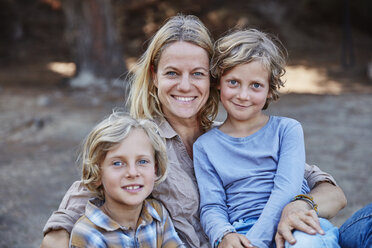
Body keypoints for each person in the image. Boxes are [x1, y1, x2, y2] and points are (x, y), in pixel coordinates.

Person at [41, 14, 346, 248]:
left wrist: (299, 204)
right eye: (172, 73)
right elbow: (61, 227)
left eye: (197, 74)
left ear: (213, 79)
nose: (185, 86)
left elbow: (331, 192)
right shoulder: (138, 143)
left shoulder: (232, 134)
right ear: (154, 76)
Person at [193, 29, 340, 248]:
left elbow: (286, 189)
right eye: (233, 82)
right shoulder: (205, 146)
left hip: (295, 224)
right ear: (218, 82)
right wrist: (224, 235)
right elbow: (212, 206)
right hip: (241, 230)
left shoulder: (287, 130)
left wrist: (256, 243)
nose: (243, 95)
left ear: (270, 89)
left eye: (256, 85)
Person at [68, 112, 184, 247]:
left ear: (155, 169)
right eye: (118, 163)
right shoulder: (88, 234)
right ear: (98, 173)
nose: (133, 173)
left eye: (142, 161)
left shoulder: (157, 214)